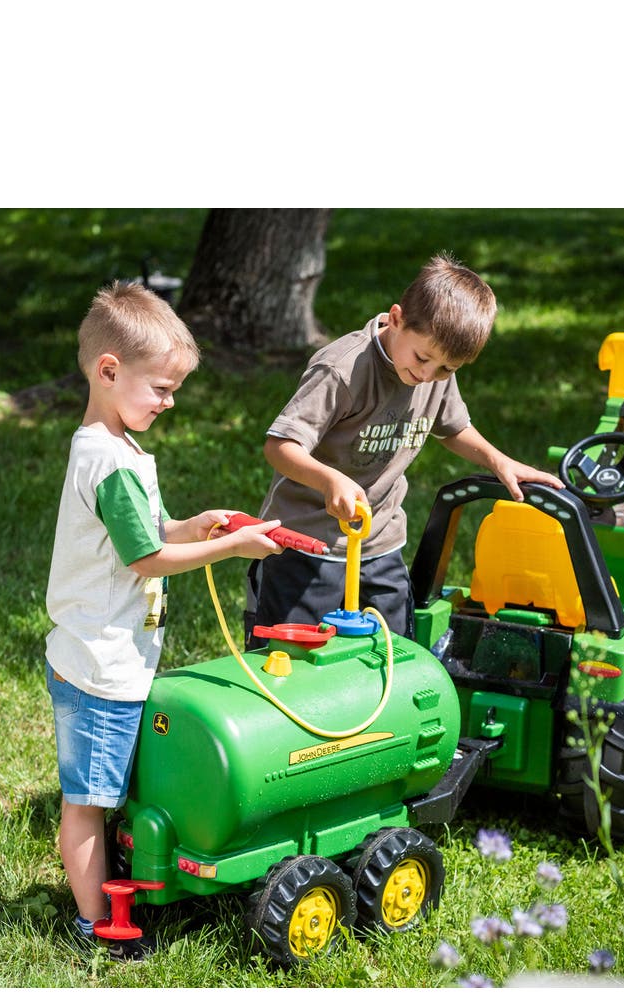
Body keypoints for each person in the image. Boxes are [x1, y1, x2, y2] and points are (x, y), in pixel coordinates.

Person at [45, 281, 282, 958]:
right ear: (109, 370)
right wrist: (231, 546)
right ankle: (97, 924)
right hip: (99, 665)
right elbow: (147, 559)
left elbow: (147, 534)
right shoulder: (109, 460)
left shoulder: (114, 447)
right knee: (88, 801)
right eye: (162, 388)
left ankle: (113, 887)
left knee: (109, 790)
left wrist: (193, 524)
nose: (170, 401)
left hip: (114, 656)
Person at [245, 252, 563, 647]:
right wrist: (330, 480)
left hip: (380, 543)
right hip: (307, 546)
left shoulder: (433, 370)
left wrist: (499, 461)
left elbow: (452, 427)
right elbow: (280, 446)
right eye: (423, 358)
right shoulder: (343, 370)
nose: (428, 376)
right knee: (292, 661)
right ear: (396, 319)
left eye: (447, 369)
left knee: (391, 655)